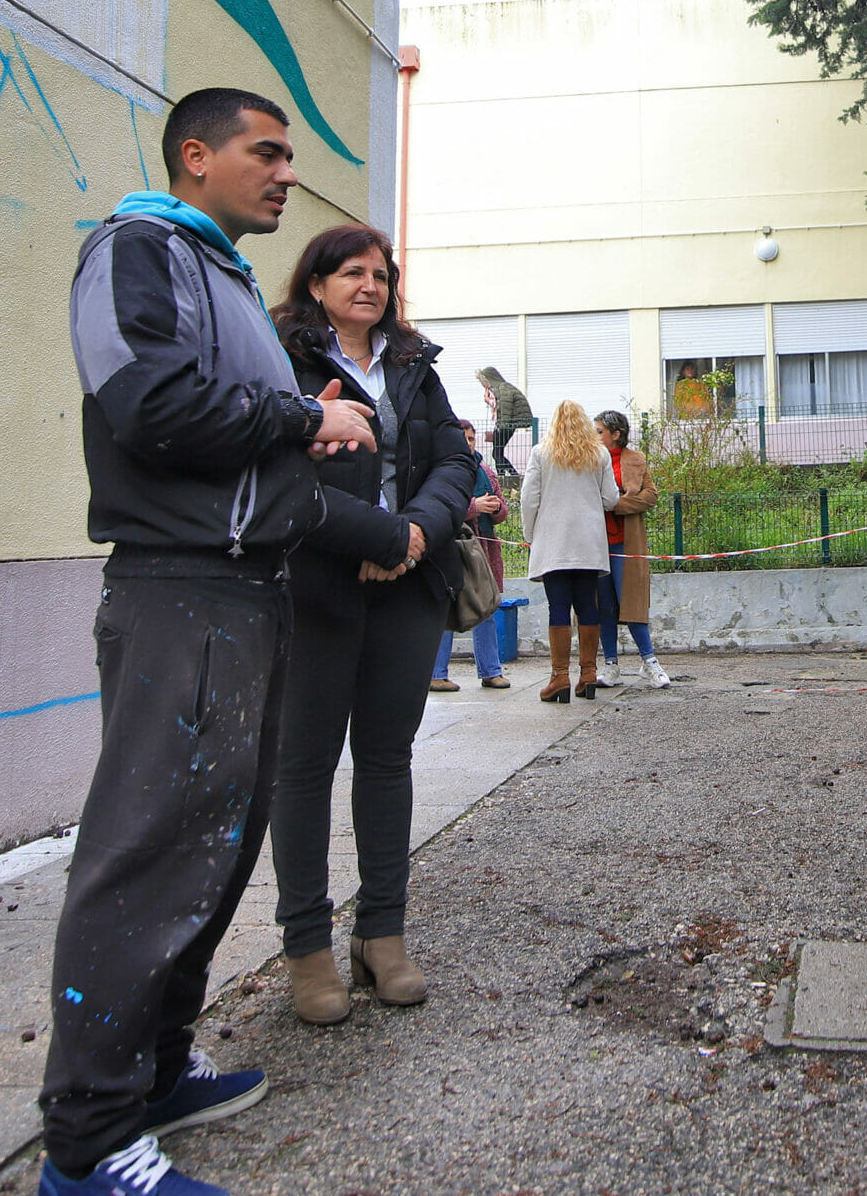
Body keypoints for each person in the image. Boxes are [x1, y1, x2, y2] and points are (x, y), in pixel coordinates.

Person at [45, 89, 398, 1196]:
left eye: (290, 154)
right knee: (149, 852)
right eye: (268, 152)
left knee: (218, 842)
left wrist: (303, 431)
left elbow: (228, 422)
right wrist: (302, 417)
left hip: (249, 591)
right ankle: (88, 1143)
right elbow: (150, 404)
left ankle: (154, 1073)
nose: (289, 173)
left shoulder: (222, 273)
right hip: (180, 592)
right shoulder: (136, 249)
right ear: (195, 155)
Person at [265, 225, 478, 1023]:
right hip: (312, 584)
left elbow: (457, 461)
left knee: (387, 759)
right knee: (303, 767)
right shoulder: (281, 361)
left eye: (381, 275)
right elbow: (275, 471)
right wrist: (376, 537)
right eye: (351, 272)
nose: (370, 285)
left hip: (407, 584)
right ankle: (307, 948)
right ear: (316, 284)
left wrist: (413, 533)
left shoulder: (414, 366)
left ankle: (381, 935)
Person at [520, 400, 620, 702]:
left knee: (558, 607)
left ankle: (559, 677)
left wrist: (530, 534)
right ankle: (588, 673)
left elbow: (529, 499)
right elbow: (611, 499)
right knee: (588, 605)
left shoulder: (541, 453)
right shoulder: (599, 454)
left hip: (554, 544)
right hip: (589, 544)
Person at [593, 411, 673, 689]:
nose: (595, 436)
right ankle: (610, 665)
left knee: (633, 604)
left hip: (626, 544)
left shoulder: (635, 459)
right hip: (595, 545)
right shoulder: (590, 460)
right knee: (603, 605)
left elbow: (650, 496)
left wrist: (614, 504)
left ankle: (649, 662)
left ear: (616, 434)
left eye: (600, 431)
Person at [430, 421, 510, 692]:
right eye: (463, 438)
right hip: (451, 548)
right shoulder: (441, 471)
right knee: (446, 609)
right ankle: (436, 674)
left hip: (483, 551)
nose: (469, 443)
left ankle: (491, 671)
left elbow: (501, 511)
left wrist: (496, 508)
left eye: (472, 439)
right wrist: (474, 506)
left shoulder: (486, 472)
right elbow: (440, 508)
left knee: (485, 605)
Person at [478, 366, 533, 480]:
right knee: (497, 453)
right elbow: (500, 406)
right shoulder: (502, 388)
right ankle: (510, 476)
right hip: (505, 424)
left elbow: (505, 406)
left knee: (497, 454)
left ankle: (507, 477)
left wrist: (501, 425)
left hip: (505, 425)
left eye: (483, 382)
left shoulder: (502, 388)